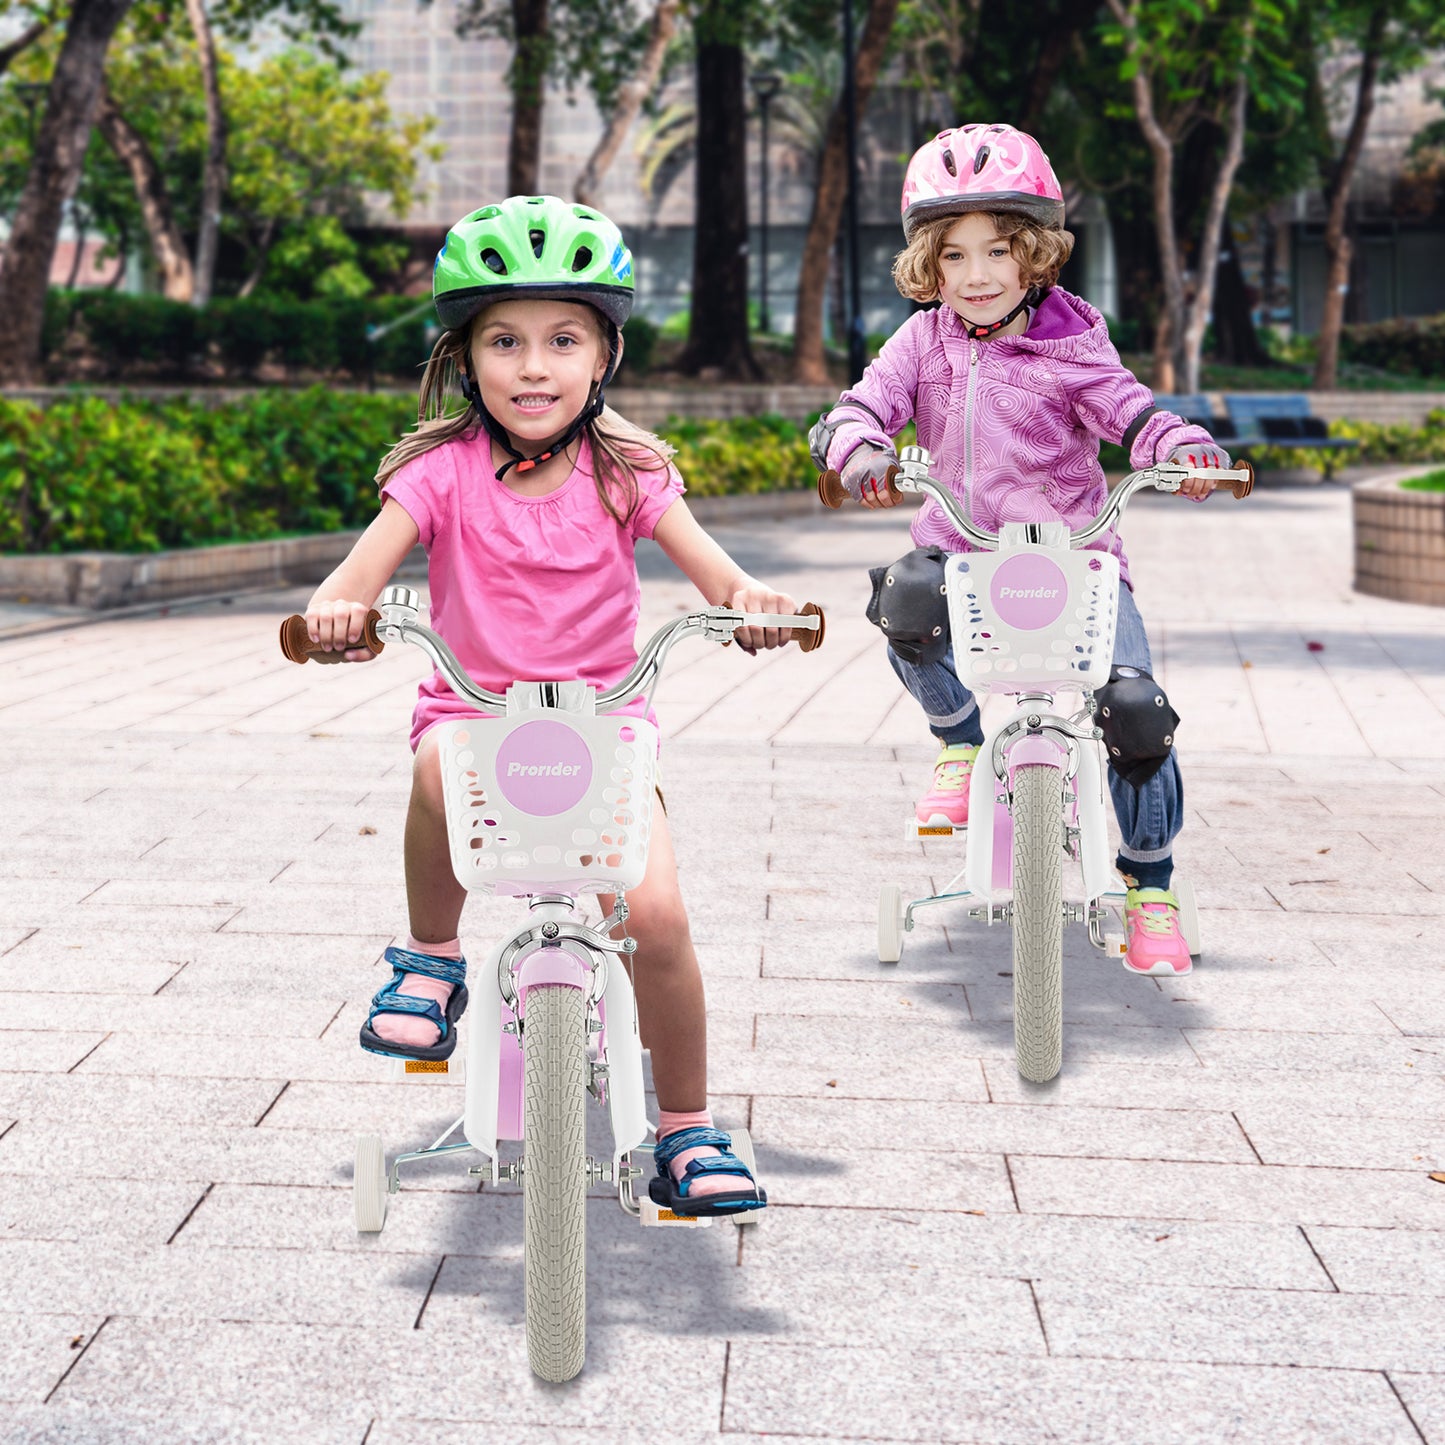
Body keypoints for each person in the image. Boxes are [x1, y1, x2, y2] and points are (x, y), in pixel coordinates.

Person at [303, 194, 797, 1214]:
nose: (533, 365)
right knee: (437, 765)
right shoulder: (436, 475)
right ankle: (430, 957)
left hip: (605, 728)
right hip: (473, 718)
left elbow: (716, 572)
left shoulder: (629, 469)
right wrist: (336, 615)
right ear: (466, 357)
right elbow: (346, 583)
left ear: (603, 352)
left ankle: (687, 1125)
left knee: (654, 918)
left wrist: (751, 606)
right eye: (505, 340)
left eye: (561, 338)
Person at [809, 124, 1230, 978]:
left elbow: (1131, 411)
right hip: (960, 560)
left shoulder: (1071, 345)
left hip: (1076, 565)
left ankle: (1150, 884)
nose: (976, 275)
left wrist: (1177, 448)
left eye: (998, 250)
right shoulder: (919, 343)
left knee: (1136, 710)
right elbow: (858, 408)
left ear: (1034, 253)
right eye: (954, 255)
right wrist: (861, 454)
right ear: (930, 264)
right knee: (903, 597)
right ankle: (960, 740)